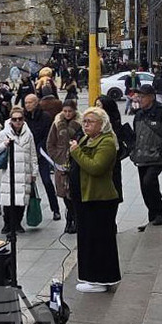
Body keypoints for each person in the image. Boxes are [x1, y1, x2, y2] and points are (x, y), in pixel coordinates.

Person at [69, 106, 123, 293]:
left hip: (98, 199)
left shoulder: (106, 142)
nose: (85, 125)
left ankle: (101, 279)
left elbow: (96, 167)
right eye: (84, 121)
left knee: (100, 240)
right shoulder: (86, 139)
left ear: (102, 124)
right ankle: (89, 276)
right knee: (87, 239)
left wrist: (76, 152)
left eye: (90, 122)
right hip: (83, 198)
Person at [132, 85, 162, 226]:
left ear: (151, 97)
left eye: (143, 96)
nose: (140, 99)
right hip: (142, 157)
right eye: (139, 96)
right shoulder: (139, 115)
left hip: (158, 157)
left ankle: (160, 212)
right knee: (144, 187)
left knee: (149, 181)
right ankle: (152, 216)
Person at [0, 106, 39, 236]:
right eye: (14, 119)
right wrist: (4, 144)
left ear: (23, 119)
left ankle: (17, 223)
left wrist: (34, 172)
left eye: (20, 119)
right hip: (10, 173)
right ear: (10, 120)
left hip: (24, 172)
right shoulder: (3, 133)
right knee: (9, 201)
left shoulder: (28, 134)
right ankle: (7, 224)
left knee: (22, 200)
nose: (17, 121)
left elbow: (33, 154)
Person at [46, 100, 83, 233]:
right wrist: (56, 156)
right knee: (63, 192)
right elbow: (50, 143)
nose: (67, 114)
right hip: (61, 162)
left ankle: (75, 219)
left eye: (70, 111)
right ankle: (69, 218)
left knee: (73, 193)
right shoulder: (57, 123)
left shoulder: (80, 123)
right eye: (65, 111)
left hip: (75, 161)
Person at [23, 94, 61, 221]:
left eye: (30, 102)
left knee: (47, 181)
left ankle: (55, 209)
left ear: (36, 103)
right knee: (28, 183)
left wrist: (40, 149)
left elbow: (48, 136)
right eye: (26, 102)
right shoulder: (23, 118)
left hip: (41, 153)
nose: (27, 105)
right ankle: (31, 211)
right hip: (27, 153)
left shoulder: (45, 117)